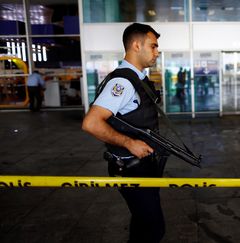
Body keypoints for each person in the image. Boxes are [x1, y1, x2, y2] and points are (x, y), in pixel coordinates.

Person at [82, 23, 164, 243]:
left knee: (143, 223)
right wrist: (129, 143)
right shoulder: (122, 82)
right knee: (153, 229)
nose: (157, 52)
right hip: (130, 167)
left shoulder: (137, 78)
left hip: (142, 164)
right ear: (136, 45)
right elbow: (91, 123)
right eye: (153, 46)